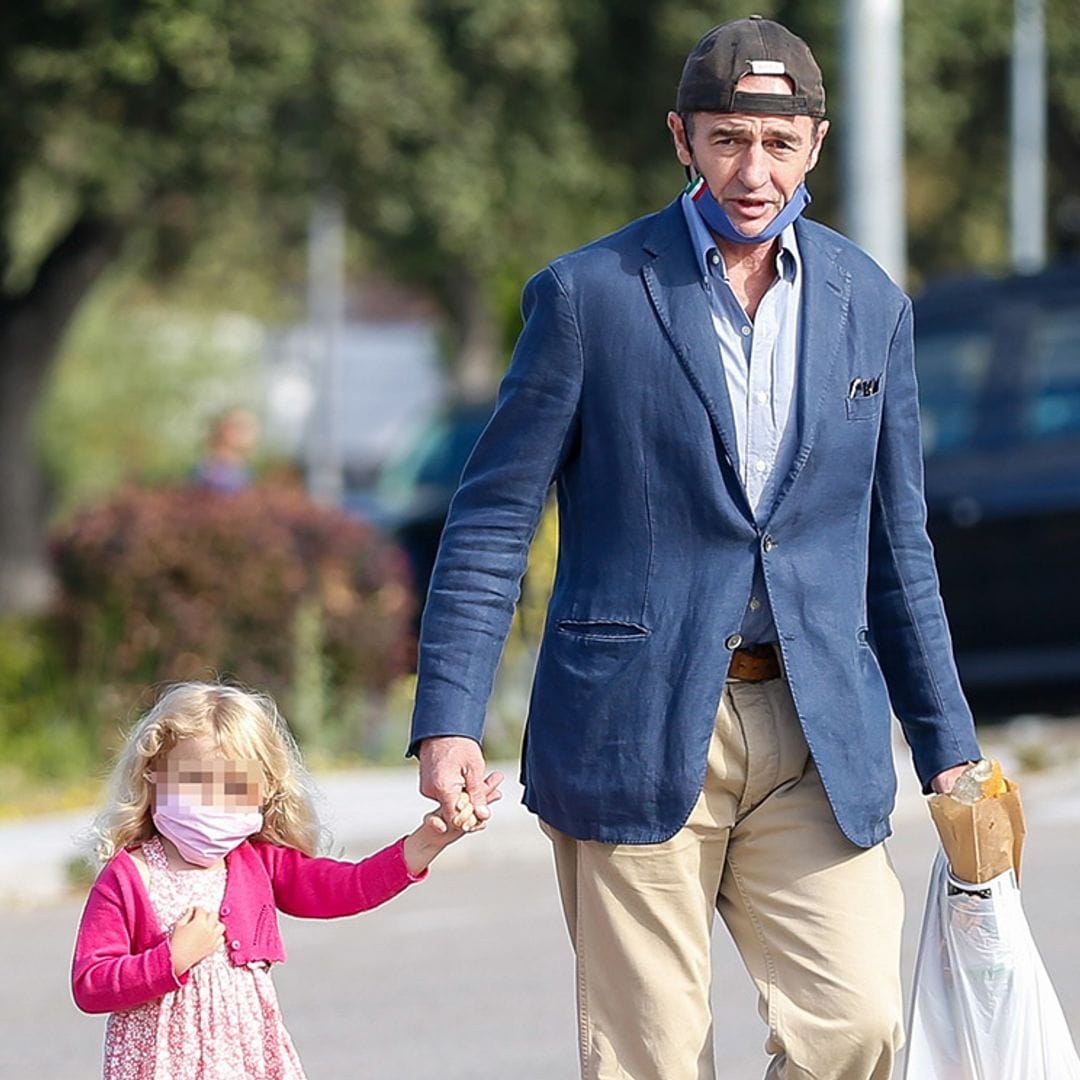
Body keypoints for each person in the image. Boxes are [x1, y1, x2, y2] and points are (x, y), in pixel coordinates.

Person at [409, 15, 982, 1080]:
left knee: (858, 1026)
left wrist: (949, 741)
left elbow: (897, 545)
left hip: (815, 723)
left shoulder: (872, 306)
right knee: (651, 1059)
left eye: (775, 143)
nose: (751, 171)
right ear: (683, 138)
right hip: (629, 713)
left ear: (816, 141)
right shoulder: (588, 296)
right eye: (726, 139)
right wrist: (447, 720)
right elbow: (493, 518)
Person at [71, 681, 502, 1080]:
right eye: (196, 782)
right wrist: (170, 960)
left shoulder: (257, 865)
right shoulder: (128, 878)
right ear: (154, 774)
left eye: (233, 789)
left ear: (263, 792)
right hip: (160, 1065)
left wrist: (427, 842)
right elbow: (90, 983)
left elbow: (350, 886)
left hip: (246, 1059)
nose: (213, 803)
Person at [192, 407, 259, 494]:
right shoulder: (207, 470)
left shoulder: (245, 470)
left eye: (251, 428)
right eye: (240, 427)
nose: (248, 434)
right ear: (223, 429)